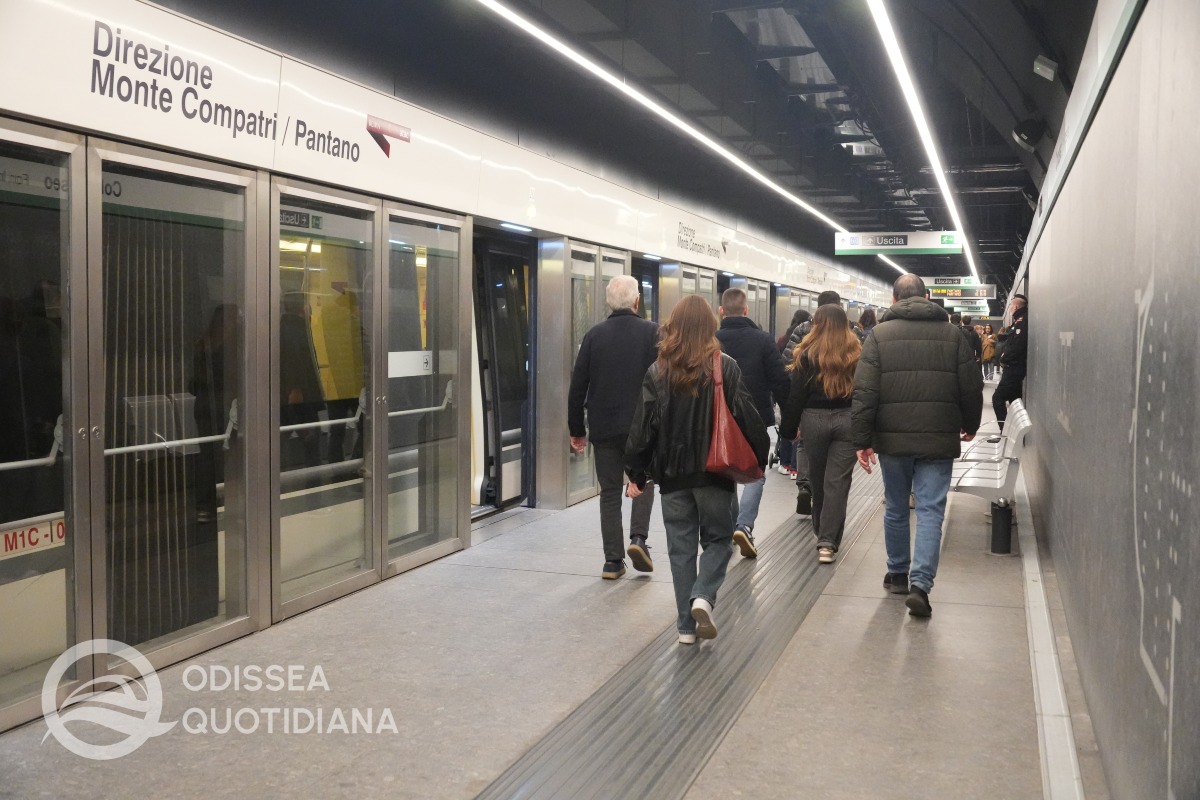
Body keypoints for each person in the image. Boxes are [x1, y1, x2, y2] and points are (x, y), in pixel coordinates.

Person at [625, 295, 768, 644]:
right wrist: (760, 458)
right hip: (714, 473)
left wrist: (636, 471)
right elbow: (748, 418)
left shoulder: (658, 370)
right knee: (719, 539)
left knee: (680, 550)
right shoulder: (725, 366)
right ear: (710, 326)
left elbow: (644, 428)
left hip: (672, 478)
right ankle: (703, 595)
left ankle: (686, 629)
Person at [851, 274, 983, 618]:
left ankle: (897, 574)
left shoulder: (878, 336)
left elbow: (865, 393)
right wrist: (970, 424)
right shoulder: (953, 335)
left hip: (892, 438)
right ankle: (920, 586)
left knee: (896, 506)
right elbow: (971, 387)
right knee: (930, 512)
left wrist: (861, 440)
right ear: (927, 297)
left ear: (894, 301)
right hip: (938, 436)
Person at [568, 274, 661, 579]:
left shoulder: (595, 336)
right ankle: (638, 539)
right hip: (641, 427)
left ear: (608, 302)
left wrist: (576, 430)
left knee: (609, 492)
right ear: (637, 301)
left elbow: (578, 384)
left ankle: (612, 561)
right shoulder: (652, 334)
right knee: (643, 480)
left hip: (604, 426)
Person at [779, 304, 861, 564]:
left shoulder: (806, 354)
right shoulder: (856, 353)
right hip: (847, 420)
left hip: (813, 419)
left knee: (817, 478)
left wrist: (788, 430)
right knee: (838, 482)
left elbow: (796, 397)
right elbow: (864, 392)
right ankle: (827, 542)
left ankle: (821, 532)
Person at [716, 287, 789, 558]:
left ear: (722, 311)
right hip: (755, 417)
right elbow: (780, 382)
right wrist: (790, 421)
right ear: (746, 310)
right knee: (755, 472)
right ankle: (744, 525)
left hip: (719, 420)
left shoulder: (711, 340)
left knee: (723, 471)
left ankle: (727, 528)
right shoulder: (762, 340)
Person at [774, 309, 810, 476]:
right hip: (807, 393)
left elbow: (783, 363)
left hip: (789, 386)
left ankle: (786, 463)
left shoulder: (784, 338)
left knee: (788, 425)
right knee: (799, 428)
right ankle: (797, 469)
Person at [993, 294, 1028, 431]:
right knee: (1014, 401)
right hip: (1015, 368)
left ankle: (1006, 431)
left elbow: (1017, 345)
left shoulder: (1021, 321)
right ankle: (1013, 432)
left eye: (1011, 306)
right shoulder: (1019, 321)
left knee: (997, 398)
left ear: (1015, 306)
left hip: (1014, 368)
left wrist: (1003, 358)